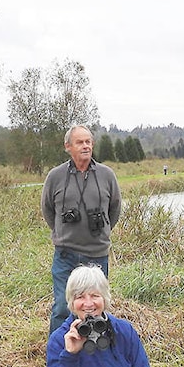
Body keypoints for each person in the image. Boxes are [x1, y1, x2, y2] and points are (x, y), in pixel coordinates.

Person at [42, 125, 122, 335]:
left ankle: (93, 353)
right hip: (65, 254)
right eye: (80, 142)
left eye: (88, 141)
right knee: (62, 306)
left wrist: (102, 233)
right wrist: (62, 233)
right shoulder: (55, 176)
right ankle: (59, 353)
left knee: (95, 308)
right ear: (68, 146)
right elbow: (48, 210)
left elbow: (114, 210)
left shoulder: (107, 175)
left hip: (97, 254)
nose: (86, 146)